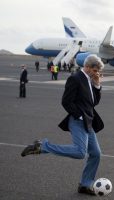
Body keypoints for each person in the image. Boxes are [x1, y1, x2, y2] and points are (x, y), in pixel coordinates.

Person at [21, 54, 105, 195]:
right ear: (88, 67)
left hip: (88, 122)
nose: (97, 73)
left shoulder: (90, 80)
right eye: (96, 70)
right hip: (78, 121)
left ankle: (85, 184)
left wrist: (97, 85)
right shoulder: (75, 78)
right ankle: (42, 146)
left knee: (96, 154)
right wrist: (78, 115)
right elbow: (66, 101)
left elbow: (93, 103)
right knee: (80, 153)